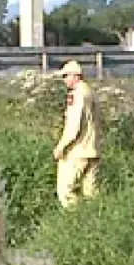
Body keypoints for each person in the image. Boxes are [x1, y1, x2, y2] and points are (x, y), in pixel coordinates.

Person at [53, 61, 102, 209]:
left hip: (77, 151)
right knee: (90, 193)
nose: (64, 80)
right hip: (93, 149)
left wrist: (61, 147)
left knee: (65, 192)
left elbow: (73, 126)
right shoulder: (90, 92)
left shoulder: (76, 95)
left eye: (66, 76)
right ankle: (94, 222)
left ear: (76, 76)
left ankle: (73, 221)